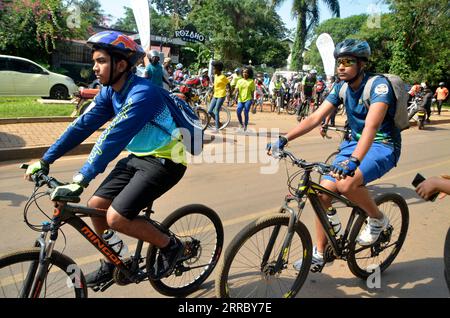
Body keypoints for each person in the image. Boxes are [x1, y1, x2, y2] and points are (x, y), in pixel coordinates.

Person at [24, 31, 187, 287]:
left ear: (120, 65)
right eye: (94, 61)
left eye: (100, 61)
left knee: (117, 218)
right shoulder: (109, 92)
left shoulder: (142, 95)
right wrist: (46, 159)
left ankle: (171, 246)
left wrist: (81, 178)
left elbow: (111, 139)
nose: (95, 68)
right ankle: (114, 261)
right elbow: (81, 126)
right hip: (139, 156)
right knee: (96, 206)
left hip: (167, 160)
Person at [267, 39, 400, 272]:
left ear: (362, 64)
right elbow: (314, 118)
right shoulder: (341, 87)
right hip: (352, 144)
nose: (341, 67)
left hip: (382, 145)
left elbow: (371, 126)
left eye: (347, 62)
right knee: (322, 194)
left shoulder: (378, 86)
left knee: (347, 184)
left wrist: (354, 161)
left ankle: (378, 218)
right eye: (338, 62)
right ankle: (319, 252)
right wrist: (285, 138)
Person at [208, 61, 229, 132]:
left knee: (216, 110)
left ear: (218, 69)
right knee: (210, 111)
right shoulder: (215, 76)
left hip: (221, 95)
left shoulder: (223, 77)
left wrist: (230, 93)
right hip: (215, 95)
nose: (213, 70)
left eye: (214, 69)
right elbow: (215, 85)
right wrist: (211, 91)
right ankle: (219, 123)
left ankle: (217, 128)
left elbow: (228, 84)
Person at [235, 66, 255, 132]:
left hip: (248, 99)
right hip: (240, 99)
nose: (244, 73)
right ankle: (241, 124)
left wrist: (253, 100)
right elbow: (236, 90)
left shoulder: (251, 81)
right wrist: (233, 95)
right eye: (243, 72)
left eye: (246, 72)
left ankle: (245, 126)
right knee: (238, 112)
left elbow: (252, 92)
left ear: (249, 73)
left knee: (246, 112)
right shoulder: (239, 81)